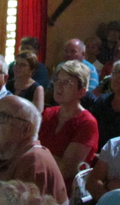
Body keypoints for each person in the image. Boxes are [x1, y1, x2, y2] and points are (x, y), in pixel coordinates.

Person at [38, 61, 99, 189]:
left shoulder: (87, 123)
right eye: (58, 80)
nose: (59, 86)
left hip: (64, 191)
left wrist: (37, 154)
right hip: (38, 181)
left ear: (81, 92)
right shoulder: (48, 113)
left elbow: (65, 170)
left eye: (67, 83)